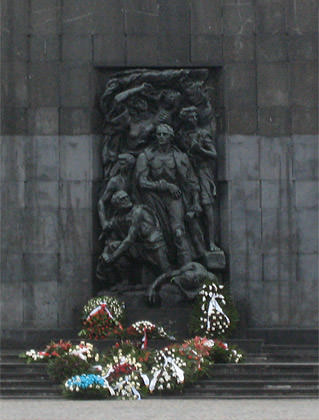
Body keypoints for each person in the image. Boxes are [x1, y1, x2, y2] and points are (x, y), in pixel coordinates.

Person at [135, 123, 202, 265]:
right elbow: (141, 182)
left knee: (178, 232)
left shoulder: (180, 157)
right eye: (158, 134)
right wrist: (165, 186)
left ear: (171, 137)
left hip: (175, 197)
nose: (161, 137)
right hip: (152, 198)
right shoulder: (146, 156)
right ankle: (163, 268)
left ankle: (188, 268)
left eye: (164, 134)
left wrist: (195, 203)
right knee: (154, 235)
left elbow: (192, 182)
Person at [100, 190, 170, 275]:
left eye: (126, 197)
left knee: (167, 274)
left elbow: (130, 239)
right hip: (139, 248)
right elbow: (107, 227)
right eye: (122, 199)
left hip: (154, 247)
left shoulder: (138, 211)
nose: (126, 200)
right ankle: (126, 281)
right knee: (112, 246)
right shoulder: (118, 217)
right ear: (116, 204)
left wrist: (113, 257)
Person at [147, 262, 219, 304]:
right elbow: (166, 276)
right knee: (164, 289)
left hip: (191, 295)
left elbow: (192, 296)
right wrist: (152, 288)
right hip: (183, 291)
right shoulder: (184, 271)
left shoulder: (206, 282)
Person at [97, 153, 135, 230]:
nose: (126, 167)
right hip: (119, 217)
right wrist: (103, 222)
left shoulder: (133, 180)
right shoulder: (114, 181)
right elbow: (101, 201)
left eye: (129, 165)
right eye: (122, 164)